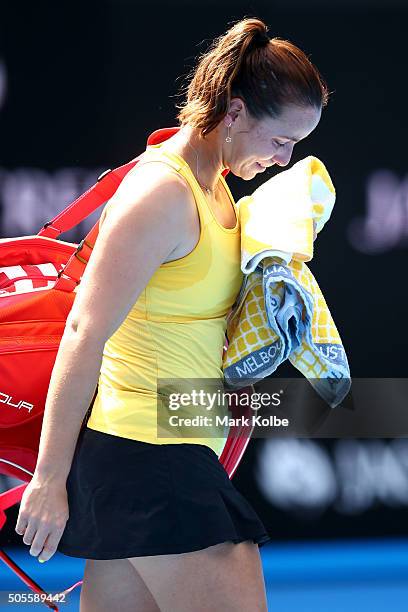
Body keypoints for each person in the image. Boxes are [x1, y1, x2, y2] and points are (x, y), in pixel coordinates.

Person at [15, 16, 328, 611]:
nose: (286, 160)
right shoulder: (163, 191)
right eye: (281, 141)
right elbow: (85, 331)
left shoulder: (217, 186)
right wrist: (50, 479)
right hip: (148, 455)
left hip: (160, 452)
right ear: (233, 112)